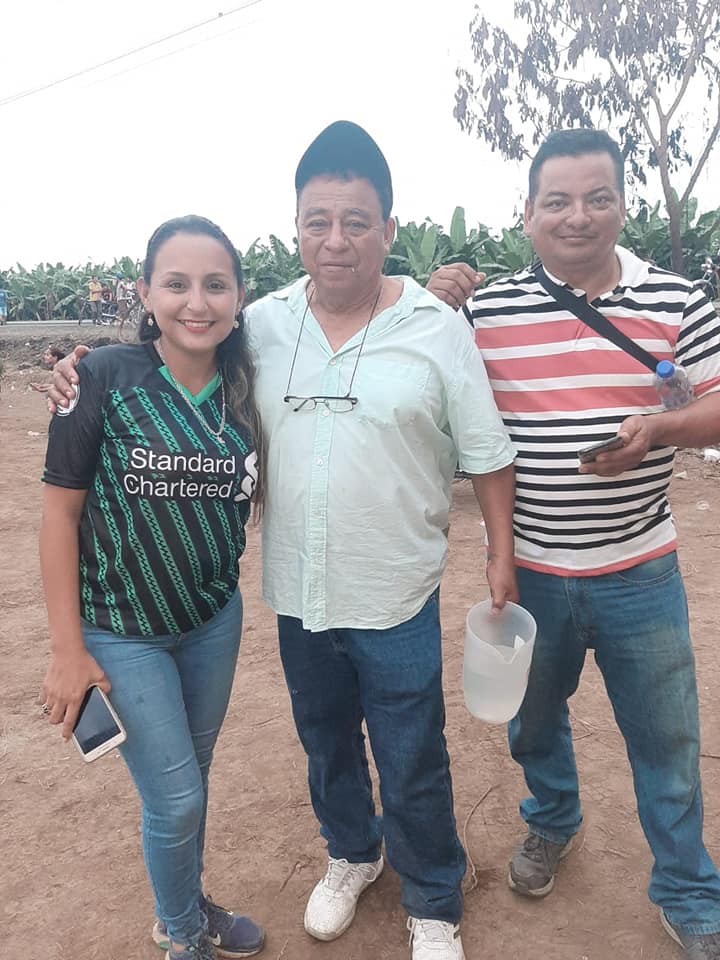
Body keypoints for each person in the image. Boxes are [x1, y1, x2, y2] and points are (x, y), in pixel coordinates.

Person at [49, 121, 518, 960]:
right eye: (317, 222)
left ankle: (433, 897)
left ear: (389, 227)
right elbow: (171, 348)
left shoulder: (436, 328)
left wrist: (500, 553)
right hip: (299, 591)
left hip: (396, 588)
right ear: (296, 227)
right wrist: (76, 368)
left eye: (356, 221)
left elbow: (485, 451)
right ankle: (352, 853)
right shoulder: (259, 326)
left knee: (411, 750)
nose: (336, 240)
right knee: (325, 741)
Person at [428, 128, 720, 959]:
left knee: (666, 741)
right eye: (556, 201)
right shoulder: (487, 311)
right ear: (527, 214)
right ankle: (553, 819)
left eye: (597, 198)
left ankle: (689, 891)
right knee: (531, 723)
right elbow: (416, 376)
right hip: (530, 572)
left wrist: (658, 429)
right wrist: (432, 301)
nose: (577, 216)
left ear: (623, 205)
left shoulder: (679, 300)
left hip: (641, 568)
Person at [40, 215, 265, 960]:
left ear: (239, 297)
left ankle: (185, 906)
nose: (196, 302)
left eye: (215, 285)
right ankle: (184, 940)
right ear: (144, 292)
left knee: (193, 783)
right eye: (176, 284)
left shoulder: (250, 386)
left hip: (212, 620)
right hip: (120, 630)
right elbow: (59, 515)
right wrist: (67, 650)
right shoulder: (102, 376)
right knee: (176, 800)